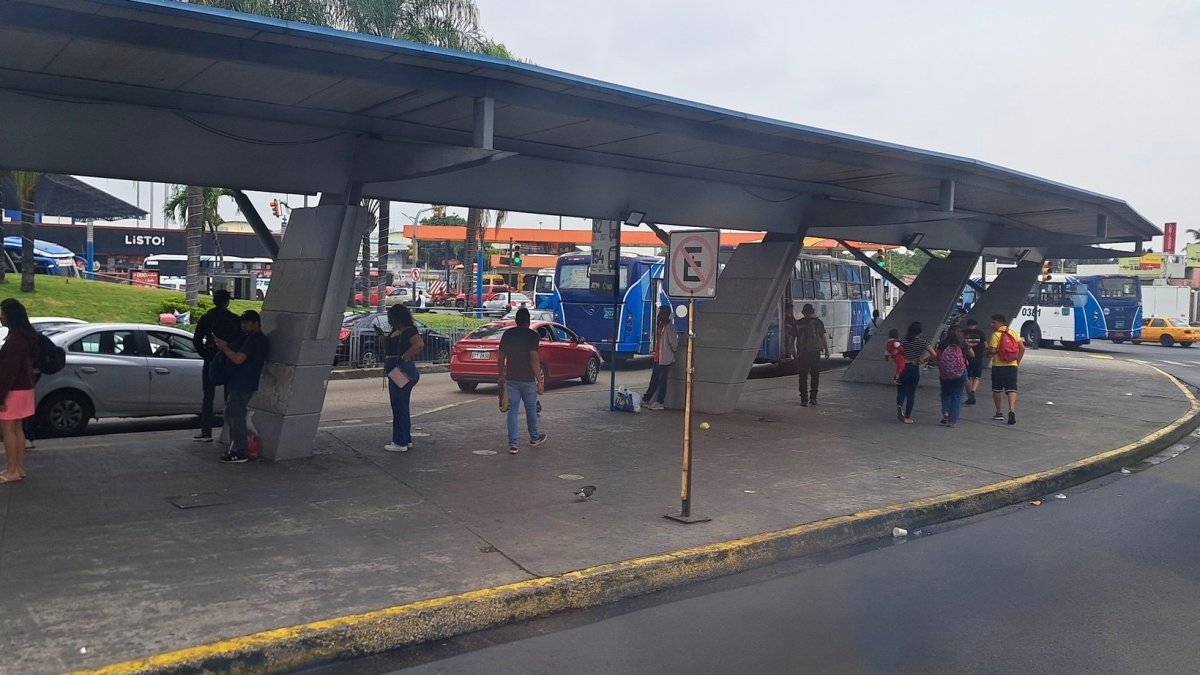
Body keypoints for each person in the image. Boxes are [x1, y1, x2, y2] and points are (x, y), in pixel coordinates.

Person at [213, 310, 269, 463]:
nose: (243, 326)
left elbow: (238, 359)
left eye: (246, 323)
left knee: (235, 415)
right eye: (242, 323)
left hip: (242, 382)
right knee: (231, 414)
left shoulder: (253, 340)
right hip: (246, 382)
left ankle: (239, 450)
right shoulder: (260, 339)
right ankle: (237, 447)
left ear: (256, 323)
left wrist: (225, 348)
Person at [191, 289, 241, 443]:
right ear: (226, 302)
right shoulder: (234, 319)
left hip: (211, 360)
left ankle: (206, 432)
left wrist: (206, 355)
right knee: (229, 397)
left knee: (208, 397)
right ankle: (230, 431)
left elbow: (197, 340)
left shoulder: (207, 318)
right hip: (228, 360)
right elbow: (240, 339)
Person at [498, 307, 547, 454]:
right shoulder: (532, 336)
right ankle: (534, 438)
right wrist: (540, 380)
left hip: (511, 378)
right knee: (530, 409)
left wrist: (501, 376)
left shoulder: (508, 334)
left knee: (512, 411)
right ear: (528, 321)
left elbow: (501, 358)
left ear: (516, 320)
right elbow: (534, 359)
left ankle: (513, 444)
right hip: (527, 380)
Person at [0, 299, 36, 483]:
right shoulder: (25, 336)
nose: (1, 317)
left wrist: (1, 396)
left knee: (8, 430)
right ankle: (18, 468)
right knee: (17, 428)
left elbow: (8, 371)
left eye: (3, 313)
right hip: (25, 388)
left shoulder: (15, 340)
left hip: (13, 390)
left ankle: (11, 470)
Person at [378, 304, 423, 452]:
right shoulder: (396, 331)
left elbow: (419, 344)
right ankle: (405, 438)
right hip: (396, 369)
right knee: (400, 405)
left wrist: (404, 357)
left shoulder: (409, 331)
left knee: (399, 405)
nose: (389, 321)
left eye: (391, 317)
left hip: (401, 370)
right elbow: (389, 349)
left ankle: (400, 441)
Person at [986, 313, 1024, 425]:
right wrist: (1017, 362)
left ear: (1000, 323)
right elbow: (1022, 348)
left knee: (997, 390)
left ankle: (999, 413)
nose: (991, 324)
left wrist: (986, 353)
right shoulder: (1013, 332)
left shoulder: (996, 335)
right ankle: (1011, 409)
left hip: (999, 366)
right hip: (1012, 365)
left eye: (993, 322)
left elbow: (992, 351)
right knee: (1011, 389)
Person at [896, 321, 937, 424]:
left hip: (903, 367)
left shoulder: (903, 341)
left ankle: (900, 405)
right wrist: (923, 361)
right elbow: (934, 354)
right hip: (914, 368)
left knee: (901, 390)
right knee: (911, 393)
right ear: (920, 332)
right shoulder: (923, 342)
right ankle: (907, 417)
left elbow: (895, 352)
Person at [642, 306, 679, 410]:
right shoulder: (661, 326)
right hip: (658, 358)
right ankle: (646, 399)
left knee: (662, 381)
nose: (659, 315)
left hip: (665, 359)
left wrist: (671, 352)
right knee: (654, 380)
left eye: (661, 312)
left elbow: (674, 343)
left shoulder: (669, 327)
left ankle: (660, 402)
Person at [936, 327, 973, 428]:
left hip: (945, 373)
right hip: (961, 372)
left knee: (945, 393)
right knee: (957, 396)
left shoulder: (943, 343)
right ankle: (952, 422)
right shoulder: (963, 344)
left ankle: (946, 413)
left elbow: (938, 357)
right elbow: (972, 355)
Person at [794, 303, 830, 407]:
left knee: (803, 376)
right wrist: (827, 350)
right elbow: (822, 337)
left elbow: (791, 338)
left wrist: (791, 350)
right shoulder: (818, 323)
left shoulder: (798, 323)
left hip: (802, 353)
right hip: (815, 352)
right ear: (813, 312)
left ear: (803, 312)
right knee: (815, 375)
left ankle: (803, 399)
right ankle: (813, 398)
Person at [961, 318, 986, 405]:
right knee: (977, 376)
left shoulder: (963, 333)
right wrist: (983, 353)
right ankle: (973, 390)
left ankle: (969, 395)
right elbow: (986, 345)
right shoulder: (980, 333)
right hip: (978, 357)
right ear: (976, 325)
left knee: (968, 377)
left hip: (966, 358)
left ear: (967, 325)